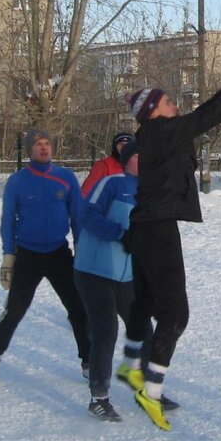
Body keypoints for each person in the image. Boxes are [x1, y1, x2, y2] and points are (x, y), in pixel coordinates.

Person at [124, 61, 221, 430]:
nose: (174, 106)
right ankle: (150, 390)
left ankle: (131, 366)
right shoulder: (161, 130)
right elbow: (210, 114)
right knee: (175, 315)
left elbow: (203, 114)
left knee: (144, 302)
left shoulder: (157, 135)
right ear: (152, 110)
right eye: (168, 101)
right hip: (156, 228)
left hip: (146, 225)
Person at [0, 128, 90, 389]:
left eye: (47, 143)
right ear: (29, 150)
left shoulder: (65, 178)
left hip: (58, 253)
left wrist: (82, 250)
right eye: (38, 144)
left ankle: (89, 362)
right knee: (15, 310)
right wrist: (8, 256)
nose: (44, 148)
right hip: (27, 255)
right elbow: (7, 221)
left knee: (78, 308)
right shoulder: (17, 181)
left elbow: (78, 218)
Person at [73, 137, 162, 421]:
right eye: (138, 157)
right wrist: (119, 234)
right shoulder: (111, 183)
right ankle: (98, 396)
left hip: (126, 274)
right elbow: (85, 214)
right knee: (106, 329)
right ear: (128, 161)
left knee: (143, 329)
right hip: (93, 270)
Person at [81, 132, 134, 197]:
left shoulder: (137, 166)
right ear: (115, 147)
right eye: (121, 144)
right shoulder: (104, 165)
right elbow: (86, 191)